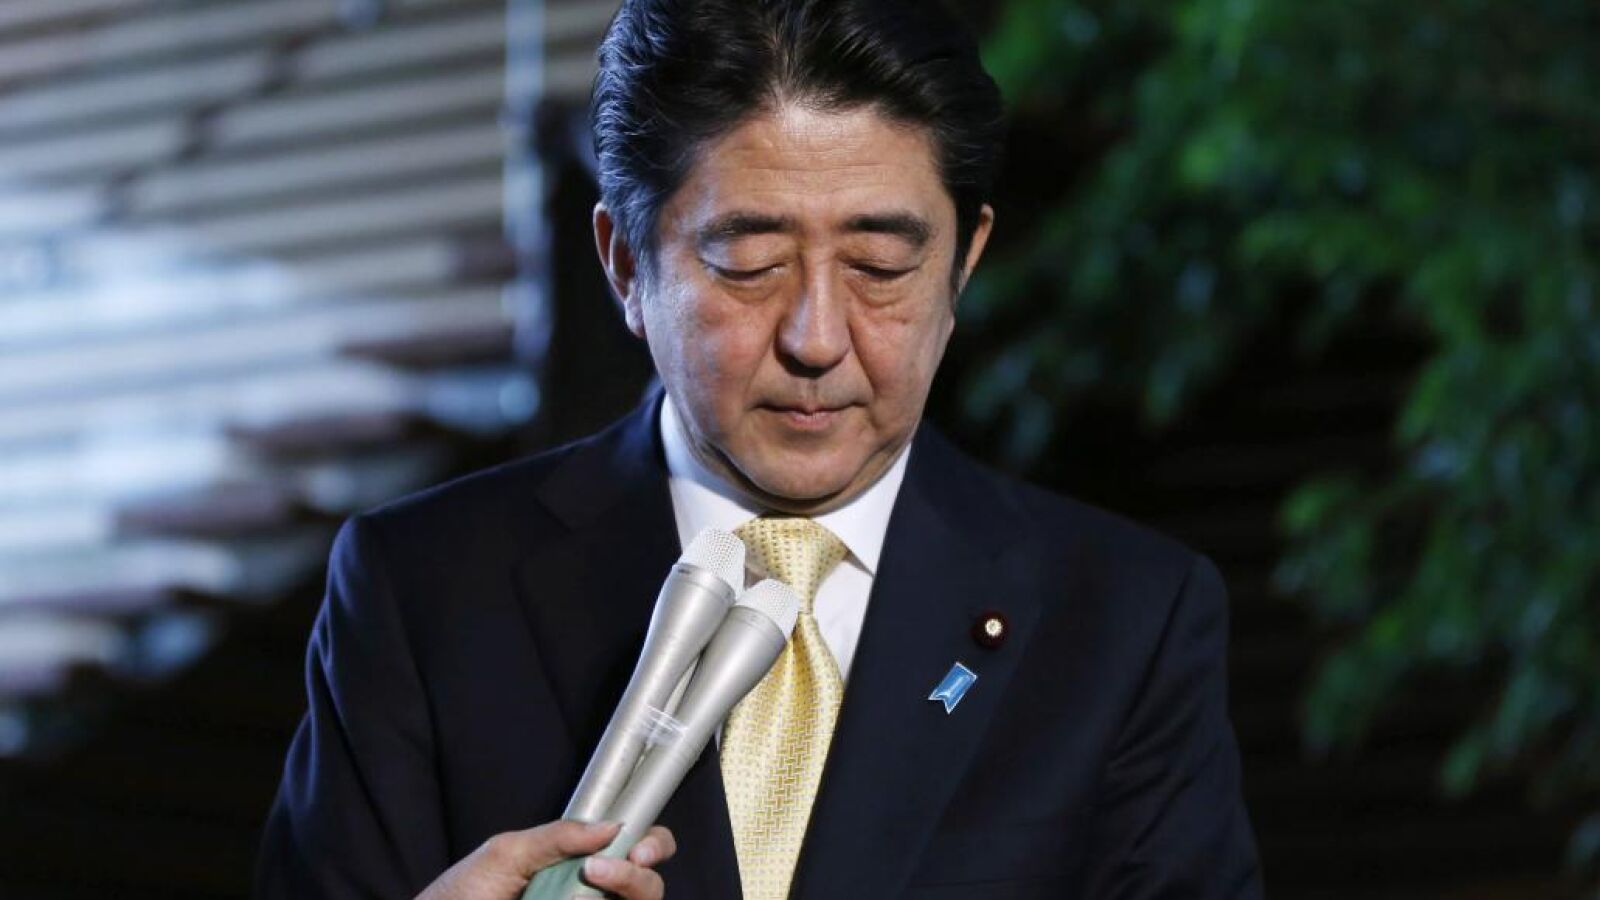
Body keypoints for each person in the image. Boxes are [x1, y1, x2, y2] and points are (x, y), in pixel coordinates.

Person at [257, 0, 1264, 897]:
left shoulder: (1124, 620)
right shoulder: (422, 589)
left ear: (963, 262)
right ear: (625, 264)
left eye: (880, 266)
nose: (816, 339)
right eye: (749, 264)